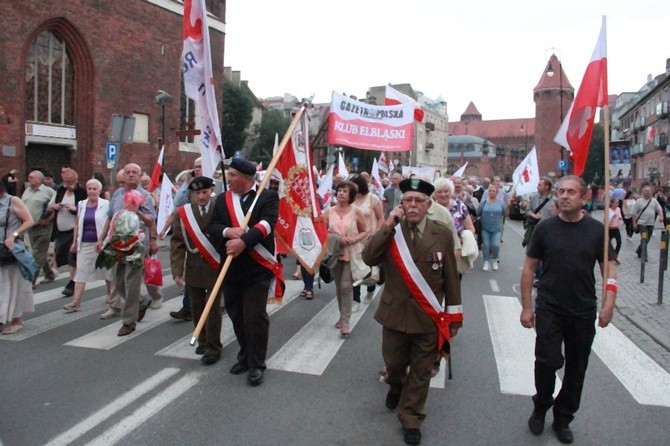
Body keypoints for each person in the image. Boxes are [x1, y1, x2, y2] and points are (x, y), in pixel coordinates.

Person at [362, 177, 462, 446]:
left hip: (427, 318)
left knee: (421, 371)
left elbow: (451, 278)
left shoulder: (441, 232)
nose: (413, 205)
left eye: (419, 200)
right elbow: (369, 257)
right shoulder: (392, 231)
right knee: (394, 366)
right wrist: (388, 225)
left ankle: (412, 418)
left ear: (428, 205)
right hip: (394, 315)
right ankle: (395, 385)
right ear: (401, 204)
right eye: (408, 200)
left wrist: (454, 317)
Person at [520, 175, 617, 444]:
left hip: (583, 310)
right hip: (550, 306)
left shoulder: (597, 231)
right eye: (561, 191)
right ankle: (541, 406)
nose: (564, 196)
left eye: (570, 192)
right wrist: (527, 307)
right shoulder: (545, 229)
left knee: (577, 368)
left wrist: (609, 304)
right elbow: (529, 267)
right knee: (547, 361)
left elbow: (609, 269)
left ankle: (563, 418)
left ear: (584, 197)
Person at [209, 158, 283, 386]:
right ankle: (244, 355)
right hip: (231, 269)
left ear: (245, 177)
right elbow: (212, 226)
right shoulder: (222, 199)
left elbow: (267, 225)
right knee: (237, 316)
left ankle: (256, 364)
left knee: (254, 317)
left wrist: (244, 243)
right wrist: (227, 232)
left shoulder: (267, 197)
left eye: (232, 175)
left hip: (257, 268)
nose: (228, 179)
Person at [97, 163, 156, 334]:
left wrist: (138, 212)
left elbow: (151, 220)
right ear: (123, 175)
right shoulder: (117, 194)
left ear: (140, 176)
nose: (130, 175)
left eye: (134, 172)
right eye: (128, 172)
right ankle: (142, 301)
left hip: (136, 245)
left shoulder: (144, 195)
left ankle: (129, 321)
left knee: (132, 283)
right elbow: (110, 218)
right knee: (118, 283)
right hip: (116, 244)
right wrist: (101, 239)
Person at [170, 176, 222, 365]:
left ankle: (214, 347)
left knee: (213, 309)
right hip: (193, 267)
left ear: (211, 191)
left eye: (205, 192)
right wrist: (177, 270)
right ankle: (202, 339)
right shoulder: (184, 213)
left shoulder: (220, 208)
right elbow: (177, 242)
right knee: (197, 307)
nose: (201, 196)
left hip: (215, 265)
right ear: (192, 193)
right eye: (198, 193)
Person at [323, 180, 367, 337]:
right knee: (338, 287)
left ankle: (345, 323)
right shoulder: (329, 212)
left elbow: (364, 231)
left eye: (345, 191)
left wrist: (353, 239)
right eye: (339, 190)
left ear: (352, 196)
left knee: (346, 286)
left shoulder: (356, 212)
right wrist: (336, 238)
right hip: (335, 253)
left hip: (351, 253)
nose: (341, 193)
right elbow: (322, 232)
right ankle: (342, 317)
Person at [63, 178, 112, 312]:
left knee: (107, 271)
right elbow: (77, 225)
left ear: (99, 190)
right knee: (81, 271)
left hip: (102, 243)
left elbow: (110, 223)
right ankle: (76, 302)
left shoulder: (106, 204)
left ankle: (111, 296)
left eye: (94, 189)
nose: (91, 191)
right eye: (89, 188)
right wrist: (74, 242)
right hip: (84, 242)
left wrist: (106, 240)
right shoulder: (81, 204)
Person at [0, 181, 36, 334]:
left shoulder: (12, 200)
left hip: (10, 250)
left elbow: (29, 221)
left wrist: (13, 236)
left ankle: (16, 319)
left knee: (13, 284)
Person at [46, 168, 87, 297]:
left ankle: (72, 283)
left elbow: (87, 211)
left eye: (71, 181)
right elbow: (49, 205)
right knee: (60, 255)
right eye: (66, 181)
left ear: (76, 180)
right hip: (60, 231)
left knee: (72, 258)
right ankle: (71, 280)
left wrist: (75, 209)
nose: (68, 184)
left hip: (74, 231)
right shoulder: (60, 191)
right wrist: (55, 206)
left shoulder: (82, 192)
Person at [350, 174, 384, 307]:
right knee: (355, 270)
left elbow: (380, 217)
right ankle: (356, 299)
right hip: (354, 240)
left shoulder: (372, 198)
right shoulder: (350, 199)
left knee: (370, 270)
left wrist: (376, 234)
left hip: (370, 239)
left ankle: (370, 290)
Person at [21, 170, 56, 286]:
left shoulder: (49, 192)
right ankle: (49, 273)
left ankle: (31, 280)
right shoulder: (27, 190)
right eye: (29, 176)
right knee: (40, 252)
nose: (29, 178)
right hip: (30, 226)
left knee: (36, 253)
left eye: (32, 177)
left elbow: (55, 207)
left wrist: (48, 219)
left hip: (43, 227)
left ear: (40, 179)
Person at [477, 184, 506, 271]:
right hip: (485, 228)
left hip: (496, 228)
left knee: (495, 245)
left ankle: (495, 259)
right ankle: (486, 261)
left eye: (493, 191)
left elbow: (505, 213)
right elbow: (478, 212)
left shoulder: (501, 203)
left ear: (497, 193)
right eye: (490, 191)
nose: (491, 193)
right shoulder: (484, 202)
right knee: (486, 245)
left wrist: (509, 205)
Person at [631, 185, 664, 260]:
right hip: (642, 223)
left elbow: (659, 209)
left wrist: (661, 216)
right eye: (646, 191)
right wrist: (634, 223)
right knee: (644, 238)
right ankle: (644, 255)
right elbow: (634, 213)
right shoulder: (639, 201)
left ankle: (639, 250)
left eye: (649, 191)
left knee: (647, 239)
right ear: (643, 192)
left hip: (651, 223)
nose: (648, 192)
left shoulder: (654, 201)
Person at [607, 197, 623, 264]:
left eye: (618, 203)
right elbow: (606, 219)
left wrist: (620, 218)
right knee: (608, 244)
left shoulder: (618, 209)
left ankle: (615, 256)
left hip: (616, 228)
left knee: (619, 242)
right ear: (612, 203)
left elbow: (620, 216)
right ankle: (610, 256)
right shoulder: (608, 210)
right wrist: (611, 217)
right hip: (609, 229)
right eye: (616, 203)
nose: (617, 204)